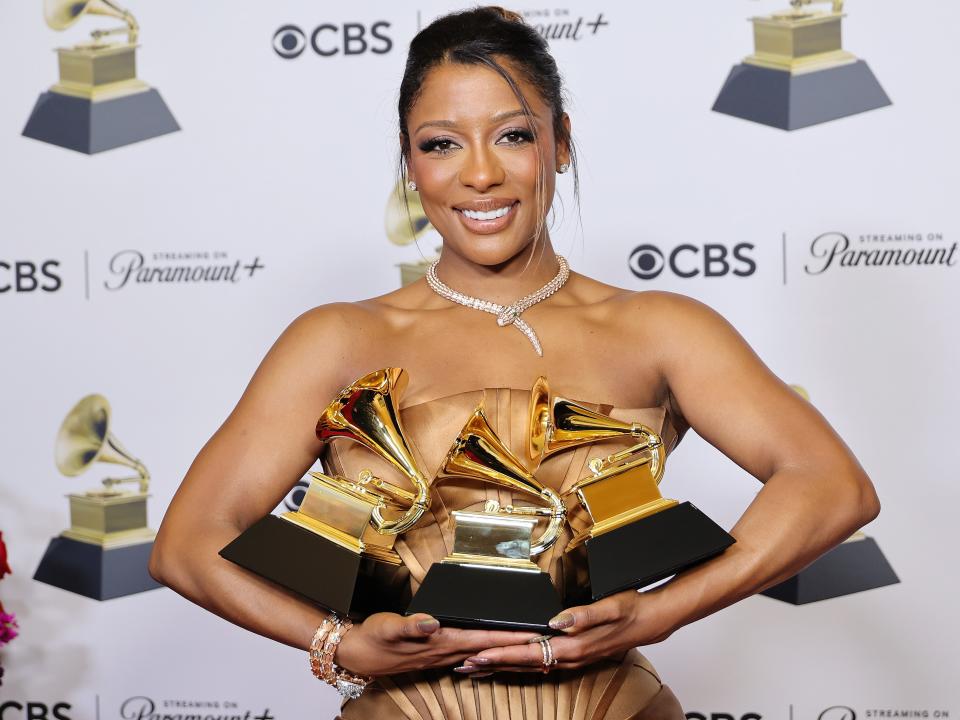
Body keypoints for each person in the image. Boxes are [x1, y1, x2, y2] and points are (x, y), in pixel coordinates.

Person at [148, 7, 881, 719]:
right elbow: (188, 543)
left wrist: (659, 614)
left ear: (560, 143)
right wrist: (336, 643)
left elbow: (831, 485)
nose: (479, 175)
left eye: (512, 135)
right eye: (440, 144)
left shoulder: (658, 328)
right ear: (409, 163)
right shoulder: (337, 339)